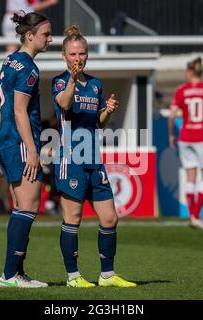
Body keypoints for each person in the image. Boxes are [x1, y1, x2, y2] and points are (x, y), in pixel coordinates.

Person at [52, 25, 137, 288]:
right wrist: (73, 80)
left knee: (110, 218)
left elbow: (97, 123)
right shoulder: (60, 81)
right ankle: (73, 277)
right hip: (71, 159)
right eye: (73, 54)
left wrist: (107, 111)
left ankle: (107, 275)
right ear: (64, 56)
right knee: (72, 219)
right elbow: (64, 105)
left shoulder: (96, 84)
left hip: (94, 159)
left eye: (82, 54)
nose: (78, 59)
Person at [0, 11, 52, 288]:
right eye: (46, 35)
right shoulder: (28, 67)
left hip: (6, 141)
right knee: (28, 206)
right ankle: (10, 275)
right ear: (30, 36)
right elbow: (19, 111)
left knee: (20, 207)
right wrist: (33, 150)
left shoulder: (9, 60)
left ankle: (15, 272)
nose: (50, 39)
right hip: (20, 143)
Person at [168, 57, 203, 230]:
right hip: (202, 136)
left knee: (190, 176)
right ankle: (195, 215)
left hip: (185, 136)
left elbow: (172, 115)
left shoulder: (181, 90)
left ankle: (192, 216)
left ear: (189, 71)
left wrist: (172, 135)